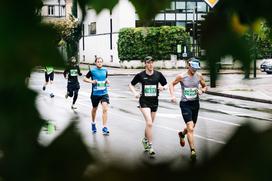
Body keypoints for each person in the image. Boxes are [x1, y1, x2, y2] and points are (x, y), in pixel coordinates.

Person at [169, 57, 207, 161]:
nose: (195, 70)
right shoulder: (182, 76)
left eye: (196, 68)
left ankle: (182, 134)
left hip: (195, 104)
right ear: (188, 66)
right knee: (190, 128)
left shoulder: (199, 76)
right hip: (185, 104)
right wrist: (172, 96)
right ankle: (193, 151)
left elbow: (205, 87)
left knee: (191, 127)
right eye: (193, 67)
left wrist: (202, 90)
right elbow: (171, 84)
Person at [129, 56, 167, 157]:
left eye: (152, 63)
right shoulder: (140, 75)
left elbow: (166, 84)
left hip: (154, 101)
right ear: (145, 64)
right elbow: (131, 84)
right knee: (149, 123)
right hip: (144, 101)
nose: (150, 65)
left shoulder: (158, 75)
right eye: (148, 63)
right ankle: (150, 146)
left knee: (149, 124)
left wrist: (163, 87)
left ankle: (145, 140)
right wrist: (135, 93)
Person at [83, 57, 110, 135]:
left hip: (104, 93)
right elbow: (84, 79)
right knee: (95, 108)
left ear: (102, 62)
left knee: (105, 109)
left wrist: (107, 81)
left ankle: (104, 127)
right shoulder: (92, 71)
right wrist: (92, 81)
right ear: (95, 63)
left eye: (101, 62)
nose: (99, 63)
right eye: (98, 62)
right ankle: (93, 123)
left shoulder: (105, 70)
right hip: (95, 93)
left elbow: (106, 78)